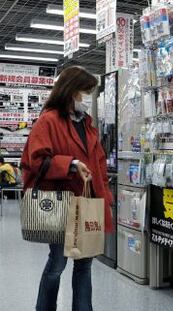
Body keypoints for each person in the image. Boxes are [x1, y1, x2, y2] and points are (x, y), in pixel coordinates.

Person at [21, 66, 113, 311]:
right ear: (71, 91)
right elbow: (35, 160)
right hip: (61, 205)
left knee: (85, 265)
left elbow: (100, 162)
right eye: (85, 91)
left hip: (87, 203)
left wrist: (106, 196)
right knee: (57, 264)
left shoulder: (88, 124)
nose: (88, 97)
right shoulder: (48, 120)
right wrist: (71, 164)